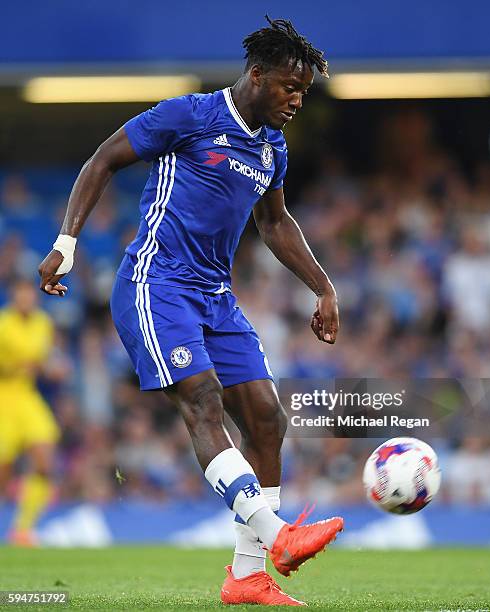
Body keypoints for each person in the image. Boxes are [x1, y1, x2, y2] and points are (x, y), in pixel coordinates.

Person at [38, 16, 342, 606]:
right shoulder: (191, 116)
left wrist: (323, 288)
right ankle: (280, 537)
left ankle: (247, 576)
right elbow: (103, 158)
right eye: (288, 86)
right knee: (202, 400)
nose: (296, 100)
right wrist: (67, 242)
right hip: (156, 281)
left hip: (214, 294)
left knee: (266, 418)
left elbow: (274, 222)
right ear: (256, 75)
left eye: (303, 91)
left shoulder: (272, 147)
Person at [0, 279, 60, 546]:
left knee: (45, 462)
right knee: (4, 471)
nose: (26, 299)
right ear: (13, 297)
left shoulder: (43, 323)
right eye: (20, 294)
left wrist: (52, 369)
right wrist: (15, 368)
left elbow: (41, 362)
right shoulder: (3, 325)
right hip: (4, 398)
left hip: (27, 398)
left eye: (29, 295)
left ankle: (23, 530)